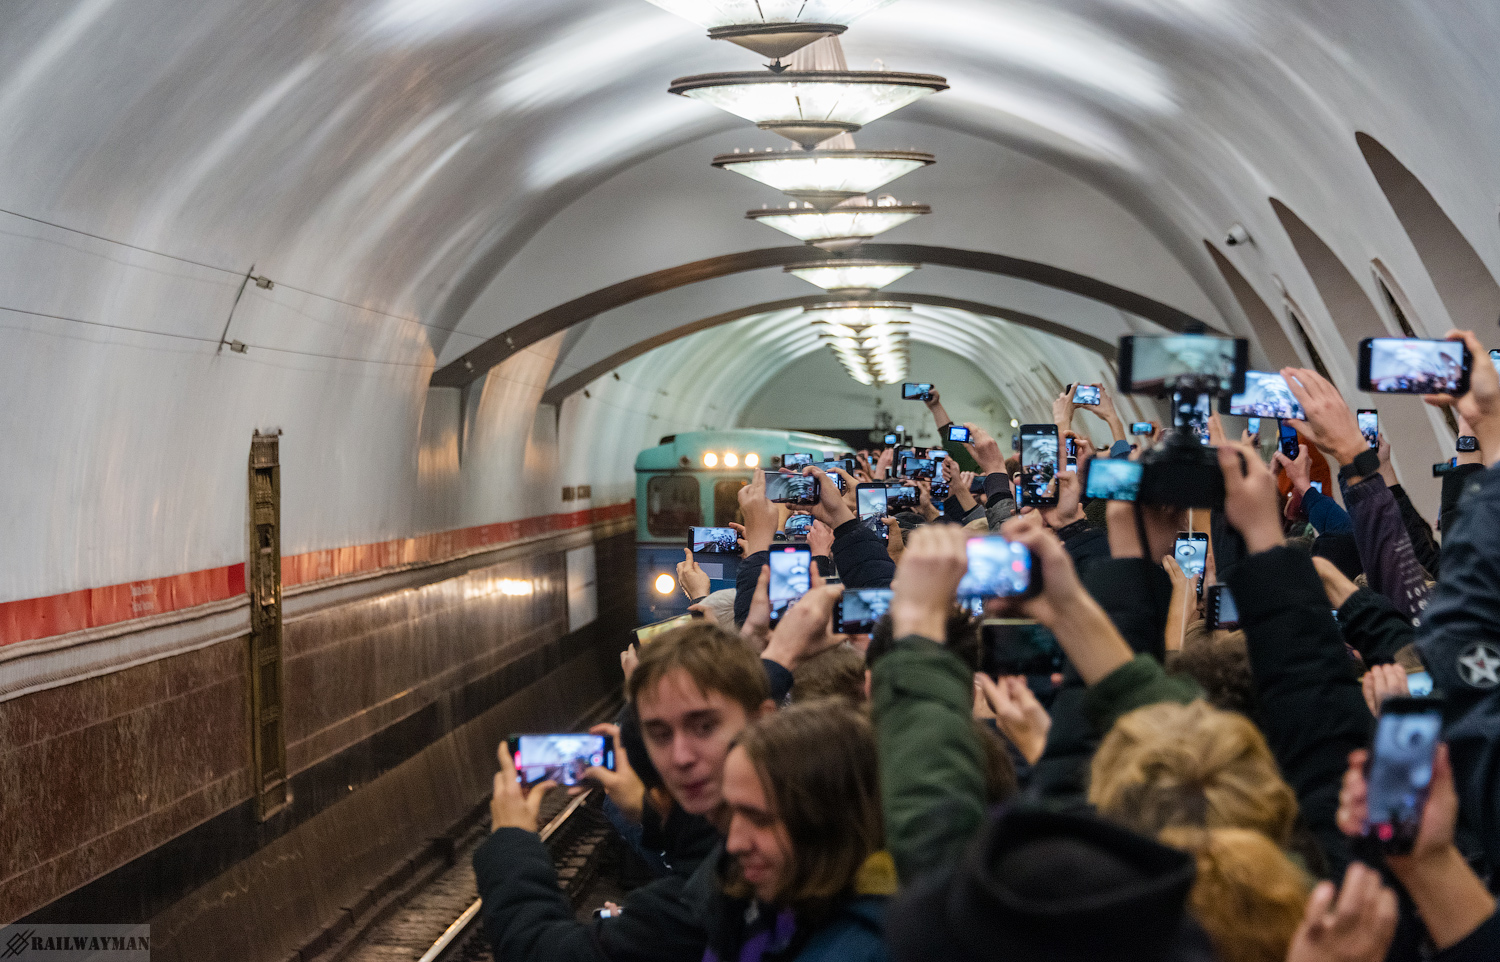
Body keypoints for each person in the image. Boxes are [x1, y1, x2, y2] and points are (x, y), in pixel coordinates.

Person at [473, 622, 780, 962]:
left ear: (762, 720)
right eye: (659, 733)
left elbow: (542, 953)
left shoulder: (736, 875)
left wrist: (513, 841)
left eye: (704, 726)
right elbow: (702, 845)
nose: (680, 757)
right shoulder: (760, 832)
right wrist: (649, 811)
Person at [701, 701, 894, 962]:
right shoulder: (753, 910)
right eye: (731, 812)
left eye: (760, 819)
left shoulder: (869, 948)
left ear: (830, 820)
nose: (734, 844)